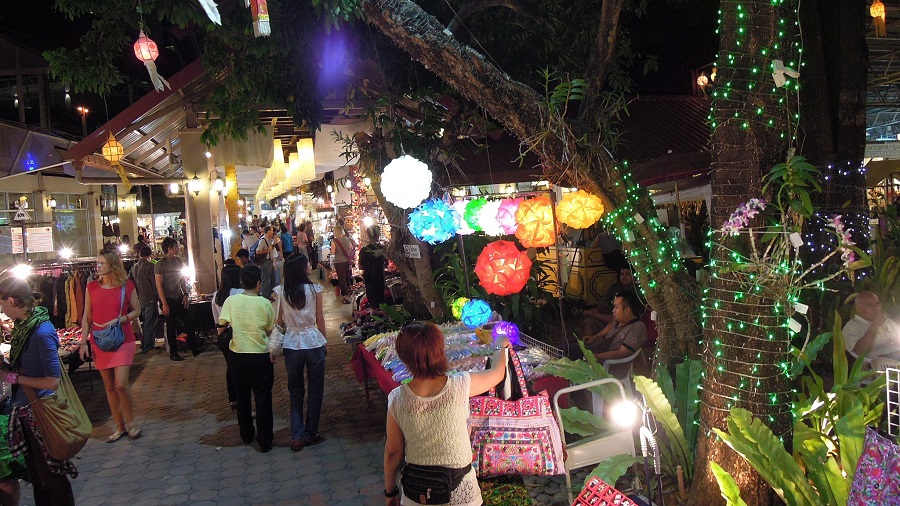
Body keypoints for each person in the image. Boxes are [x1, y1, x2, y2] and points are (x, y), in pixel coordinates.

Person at [384, 321, 511, 505]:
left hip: (417, 495)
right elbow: (498, 372)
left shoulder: (397, 398)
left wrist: (390, 492)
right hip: (462, 495)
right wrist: (499, 343)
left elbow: (393, 453)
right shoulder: (460, 385)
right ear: (439, 350)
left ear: (403, 356)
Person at [0, 278, 76, 505]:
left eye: (1, 303)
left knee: (52, 478)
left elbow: (53, 381)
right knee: (37, 478)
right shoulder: (23, 328)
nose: (1, 310)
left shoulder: (41, 331)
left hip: (41, 414)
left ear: (11, 300)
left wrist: (12, 377)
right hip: (26, 411)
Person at [79, 250, 143, 442]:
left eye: (102, 263)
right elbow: (86, 317)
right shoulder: (91, 287)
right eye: (97, 263)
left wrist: (120, 319)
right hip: (99, 339)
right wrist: (83, 342)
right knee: (109, 385)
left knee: (121, 383)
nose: (97, 267)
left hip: (122, 338)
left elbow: (137, 310)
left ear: (112, 265)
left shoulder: (127, 285)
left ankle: (131, 423)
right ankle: (120, 426)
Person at [217, 265, 276, 453]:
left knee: (242, 396)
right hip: (260, 355)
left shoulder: (231, 301)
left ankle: (246, 433)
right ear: (259, 283)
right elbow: (270, 331)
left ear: (242, 282)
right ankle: (265, 440)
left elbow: (221, 327)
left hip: (238, 355)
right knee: (263, 397)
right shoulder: (265, 304)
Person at [273, 255, 326, 452]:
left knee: (295, 391)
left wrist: (273, 345)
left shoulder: (281, 291)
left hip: (292, 344)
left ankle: (297, 436)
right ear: (302, 269)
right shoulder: (314, 290)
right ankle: (311, 433)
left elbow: (279, 321)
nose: (310, 266)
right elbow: (320, 319)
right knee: (315, 389)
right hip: (313, 342)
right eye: (307, 264)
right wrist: (325, 341)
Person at [155, 236, 206, 361]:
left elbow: (182, 279)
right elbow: (159, 285)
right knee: (171, 326)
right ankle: (174, 352)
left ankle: (194, 347)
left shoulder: (178, 261)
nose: (177, 248)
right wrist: (164, 303)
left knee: (189, 322)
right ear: (169, 248)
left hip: (179, 297)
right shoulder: (160, 265)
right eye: (175, 247)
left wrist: (185, 294)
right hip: (168, 298)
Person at [583, 291, 647, 367]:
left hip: (607, 363)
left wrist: (596, 356)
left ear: (627, 310)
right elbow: (610, 325)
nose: (613, 310)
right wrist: (595, 337)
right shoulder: (619, 320)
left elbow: (623, 353)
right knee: (572, 349)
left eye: (616, 307)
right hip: (600, 350)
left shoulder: (637, 327)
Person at [842, 291, 900, 369]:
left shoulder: (886, 321)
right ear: (858, 308)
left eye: (877, 304)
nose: (876, 308)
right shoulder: (852, 326)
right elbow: (860, 351)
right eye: (870, 305)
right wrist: (874, 326)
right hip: (880, 364)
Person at [213, 265, 243, 409]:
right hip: (238, 333)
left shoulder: (216, 295)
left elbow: (217, 320)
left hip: (223, 335)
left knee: (231, 368)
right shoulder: (240, 293)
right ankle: (242, 400)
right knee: (240, 369)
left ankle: (233, 398)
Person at [579, 267, 642, 334]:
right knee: (589, 321)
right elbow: (605, 302)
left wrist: (596, 314)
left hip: (618, 319)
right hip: (605, 315)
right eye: (622, 274)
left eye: (627, 274)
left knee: (593, 317)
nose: (624, 277)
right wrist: (598, 309)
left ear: (634, 276)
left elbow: (621, 317)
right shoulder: (616, 286)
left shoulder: (636, 291)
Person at [128, 246, 159, 354]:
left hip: (140, 299)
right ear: (150, 255)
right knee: (150, 323)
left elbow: (129, 283)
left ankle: (146, 344)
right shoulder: (150, 266)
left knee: (146, 322)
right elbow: (155, 284)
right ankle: (148, 346)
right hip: (150, 297)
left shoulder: (134, 268)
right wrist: (159, 297)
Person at [359, 225, 387, 309]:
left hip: (369, 278)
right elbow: (386, 263)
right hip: (380, 277)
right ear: (378, 235)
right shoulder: (383, 249)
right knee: (380, 300)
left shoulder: (364, 250)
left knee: (373, 302)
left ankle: (375, 314)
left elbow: (361, 267)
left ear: (368, 235)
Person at [331, 225, 354, 302]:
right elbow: (351, 248)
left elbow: (333, 252)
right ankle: (350, 293)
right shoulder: (347, 239)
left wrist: (331, 263)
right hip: (347, 261)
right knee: (347, 277)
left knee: (342, 279)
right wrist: (346, 252)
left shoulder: (334, 241)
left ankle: (345, 296)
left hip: (339, 262)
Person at [256, 226, 279, 299]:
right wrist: (267, 250)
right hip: (265, 262)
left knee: (273, 278)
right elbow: (258, 251)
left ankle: (270, 294)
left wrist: (274, 243)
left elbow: (271, 249)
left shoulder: (268, 239)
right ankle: (265, 297)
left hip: (269, 261)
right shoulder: (263, 240)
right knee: (265, 280)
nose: (273, 232)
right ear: (268, 231)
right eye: (271, 231)